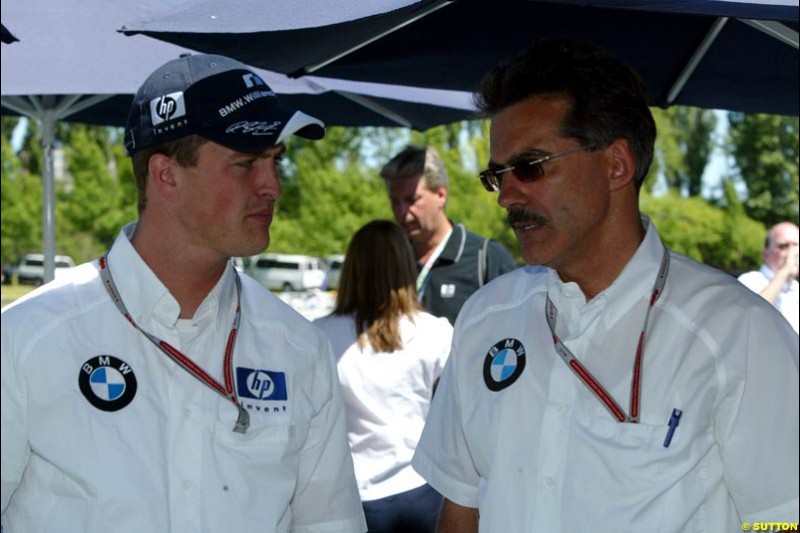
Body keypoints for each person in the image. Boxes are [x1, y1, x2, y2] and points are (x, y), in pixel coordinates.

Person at [411, 39, 799, 532]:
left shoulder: (739, 333)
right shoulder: (487, 317)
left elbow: (783, 519)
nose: (507, 195)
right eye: (497, 175)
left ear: (616, 164)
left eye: (530, 167)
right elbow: (461, 509)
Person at [1, 54, 366, 533]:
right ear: (166, 174)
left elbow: (329, 524)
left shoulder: (297, 346)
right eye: (246, 163)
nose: (272, 186)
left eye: (276, 161)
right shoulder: (29, 338)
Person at [314, 220, 452, 533]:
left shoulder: (319, 336)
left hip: (352, 494)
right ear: (405, 267)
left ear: (352, 268)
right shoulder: (436, 332)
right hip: (422, 490)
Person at [381, 145, 517, 325]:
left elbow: (516, 329)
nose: (402, 211)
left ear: (441, 195)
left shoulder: (485, 257)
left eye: (411, 200)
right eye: (394, 201)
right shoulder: (389, 259)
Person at [738, 222, 799, 333]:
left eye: (796, 245)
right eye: (784, 246)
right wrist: (785, 270)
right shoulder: (751, 280)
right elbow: (755, 314)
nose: (793, 252)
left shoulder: (795, 288)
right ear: (765, 253)